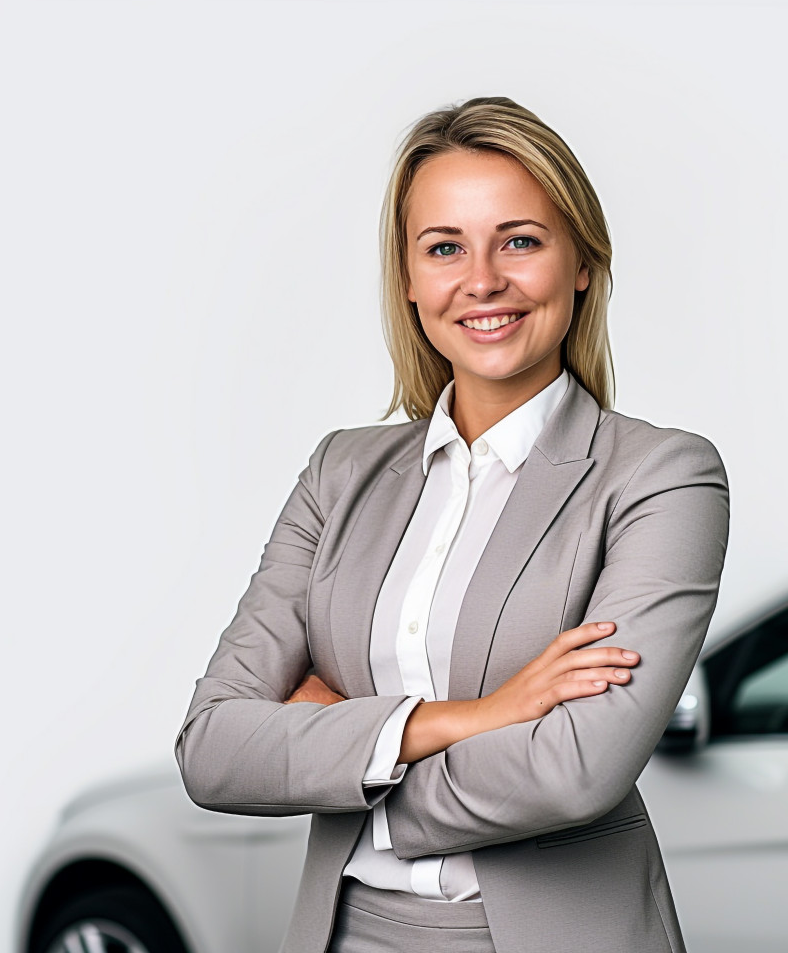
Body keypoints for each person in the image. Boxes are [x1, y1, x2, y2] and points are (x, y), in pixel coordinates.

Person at [175, 96, 730, 953]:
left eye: (520, 240)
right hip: (342, 933)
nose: (482, 281)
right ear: (408, 278)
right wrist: (473, 716)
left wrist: (339, 747)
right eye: (444, 248)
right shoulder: (340, 472)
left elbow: (577, 769)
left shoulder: (660, 477)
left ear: (582, 261)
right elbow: (213, 748)